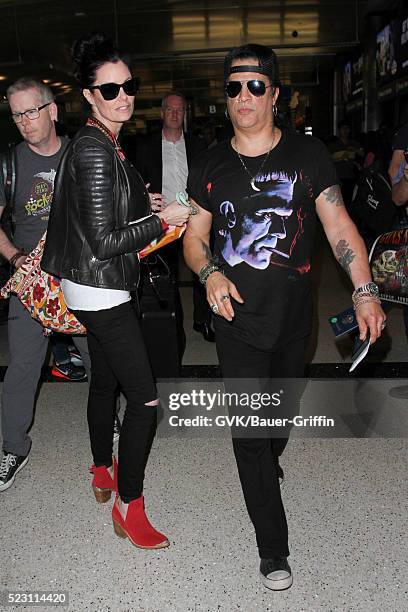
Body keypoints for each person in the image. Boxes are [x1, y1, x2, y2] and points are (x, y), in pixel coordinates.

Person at [183, 43, 386, 591]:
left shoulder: (308, 155)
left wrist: (364, 290)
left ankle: (270, 454)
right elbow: (195, 239)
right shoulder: (210, 164)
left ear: (274, 94)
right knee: (250, 435)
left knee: (279, 418)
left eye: (254, 85)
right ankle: (273, 549)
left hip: (296, 323)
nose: (243, 96)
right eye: (233, 87)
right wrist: (209, 276)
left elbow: (341, 227)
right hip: (238, 324)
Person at [42, 33, 190, 549]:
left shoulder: (98, 140)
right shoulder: (95, 150)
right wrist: (162, 218)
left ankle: (102, 470)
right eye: (109, 90)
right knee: (146, 402)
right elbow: (105, 242)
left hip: (87, 287)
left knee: (104, 381)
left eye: (129, 86)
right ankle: (130, 505)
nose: (123, 96)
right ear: (88, 94)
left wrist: (138, 200)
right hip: (102, 290)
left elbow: (95, 215)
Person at [0, 77, 90, 493]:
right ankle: (13, 447)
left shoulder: (83, 152)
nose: (24, 121)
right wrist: (16, 258)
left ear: (52, 110)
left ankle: (108, 421)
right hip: (32, 278)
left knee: (102, 355)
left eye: (31, 111)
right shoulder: (9, 164)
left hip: (81, 273)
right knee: (21, 367)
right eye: (17, 113)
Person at [135, 92, 214, 342]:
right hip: (164, 220)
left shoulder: (197, 145)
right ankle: (172, 323)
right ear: (161, 113)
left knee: (201, 269)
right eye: (170, 109)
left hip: (194, 218)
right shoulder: (145, 147)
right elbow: (138, 183)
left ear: (184, 114)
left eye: (179, 110)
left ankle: (203, 320)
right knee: (165, 275)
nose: (174, 114)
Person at [328, 120, 364, 209]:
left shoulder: (353, 143)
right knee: (337, 202)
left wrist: (354, 150)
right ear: (339, 130)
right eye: (343, 129)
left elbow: (362, 153)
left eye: (347, 129)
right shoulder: (334, 145)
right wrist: (340, 157)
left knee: (348, 202)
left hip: (350, 177)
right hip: (337, 177)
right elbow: (328, 160)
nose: (345, 131)